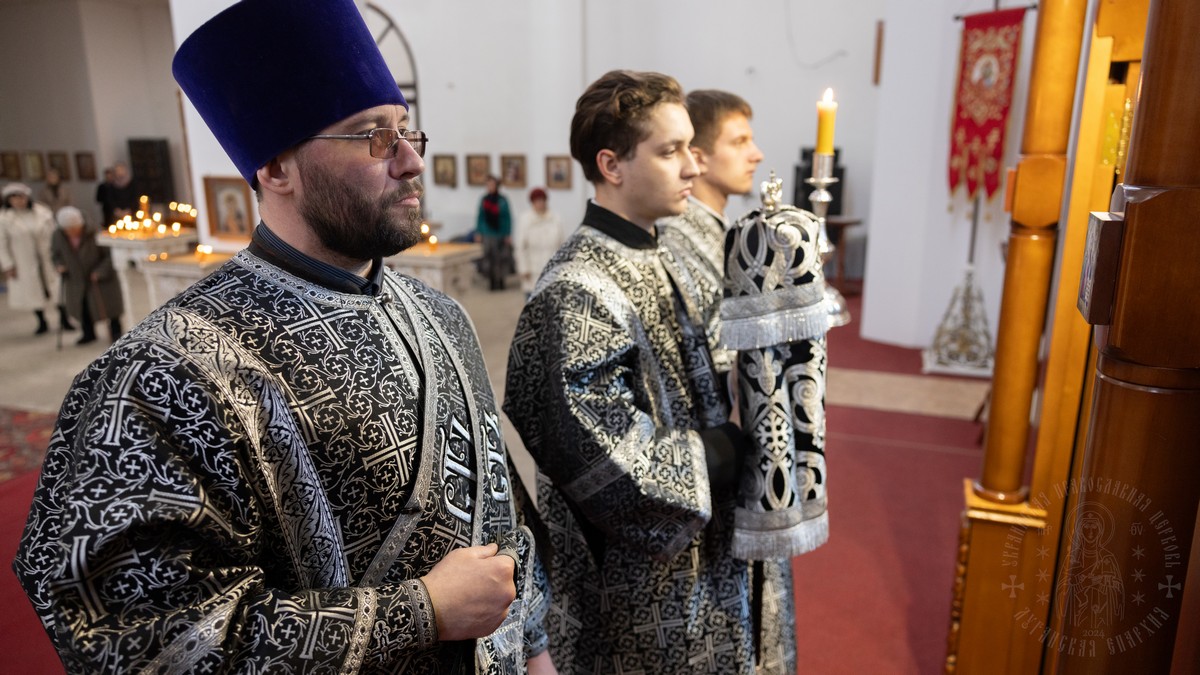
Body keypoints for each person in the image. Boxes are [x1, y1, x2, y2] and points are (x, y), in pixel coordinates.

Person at [14, 1, 555, 673]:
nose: (412, 160)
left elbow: (498, 509)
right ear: (275, 169)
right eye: (374, 137)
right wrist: (420, 610)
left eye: (407, 131)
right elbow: (142, 640)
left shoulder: (442, 316)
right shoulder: (160, 373)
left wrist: (534, 649)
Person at [503, 70, 796, 674]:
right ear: (611, 165)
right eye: (670, 151)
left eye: (691, 147)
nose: (692, 166)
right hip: (639, 590)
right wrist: (731, 447)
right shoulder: (576, 289)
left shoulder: (664, 253)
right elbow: (606, 460)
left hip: (706, 556)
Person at [656, 89, 764, 374]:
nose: (757, 155)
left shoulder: (719, 224)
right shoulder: (675, 237)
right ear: (698, 159)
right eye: (739, 142)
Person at [0, 182, 72, 335]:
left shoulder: (42, 212)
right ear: (9, 200)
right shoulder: (5, 219)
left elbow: (56, 236)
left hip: (47, 256)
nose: (19, 201)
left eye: (21, 197)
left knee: (57, 288)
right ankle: (41, 320)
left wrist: (61, 256)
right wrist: (8, 265)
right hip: (23, 259)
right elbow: (2, 244)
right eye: (14, 198)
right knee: (32, 292)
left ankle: (64, 318)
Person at [50, 205, 123, 345]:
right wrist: (59, 265)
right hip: (75, 277)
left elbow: (109, 255)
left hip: (99, 276)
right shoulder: (58, 236)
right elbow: (55, 254)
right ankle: (88, 333)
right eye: (68, 230)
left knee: (109, 305)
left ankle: (115, 332)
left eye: (74, 228)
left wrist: (100, 271)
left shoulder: (95, 232)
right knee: (82, 306)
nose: (71, 232)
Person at [513, 187, 564, 297]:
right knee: (532, 301)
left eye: (542, 200)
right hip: (532, 270)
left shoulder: (555, 219)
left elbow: (562, 245)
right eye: (536, 201)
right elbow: (520, 247)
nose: (540, 203)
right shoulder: (525, 219)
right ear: (532, 203)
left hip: (551, 269)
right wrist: (523, 268)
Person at [476, 175, 512, 290]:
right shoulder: (484, 200)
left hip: (500, 233)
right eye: (488, 185)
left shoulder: (502, 200)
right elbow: (480, 216)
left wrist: (508, 233)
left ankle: (500, 280)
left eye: (492, 185)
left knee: (500, 258)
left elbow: (507, 218)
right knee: (488, 258)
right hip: (487, 233)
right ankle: (491, 281)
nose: (490, 187)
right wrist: (478, 232)